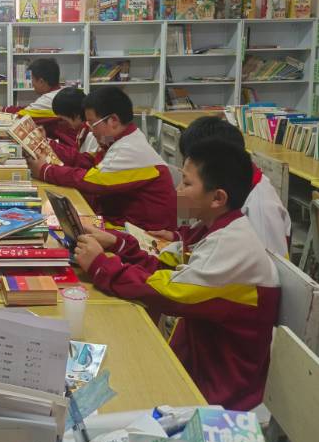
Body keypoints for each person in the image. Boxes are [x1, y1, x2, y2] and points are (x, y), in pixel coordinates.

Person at [74, 139, 280, 410]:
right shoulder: (210, 228)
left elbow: (168, 293)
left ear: (217, 198)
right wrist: (118, 245)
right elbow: (164, 266)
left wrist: (102, 266)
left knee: (109, 382)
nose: (177, 190)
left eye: (186, 183)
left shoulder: (231, 245)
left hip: (217, 393)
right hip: (195, 361)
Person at [27, 86, 176, 231]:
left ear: (113, 120)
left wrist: (45, 171)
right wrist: (48, 145)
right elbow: (87, 160)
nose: (90, 130)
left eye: (92, 124)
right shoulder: (117, 138)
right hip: (123, 220)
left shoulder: (129, 148)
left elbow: (93, 181)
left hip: (144, 232)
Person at [168, 115, 291, 256]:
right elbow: (200, 229)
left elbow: (271, 262)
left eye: (187, 182)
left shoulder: (261, 208)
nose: (179, 189)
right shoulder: (221, 189)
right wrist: (177, 238)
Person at [0, 58, 68, 140]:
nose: (32, 83)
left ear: (41, 81)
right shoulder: (60, 92)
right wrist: (3, 109)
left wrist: (1, 110)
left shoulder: (49, 99)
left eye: (32, 79)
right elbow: (29, 109)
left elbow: (21, 116)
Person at [49, 86, 104, 165]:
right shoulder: (82, 130)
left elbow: (87, 163)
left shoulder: (93, 134)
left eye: (64, 120)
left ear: (76, 115)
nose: (62, 124)